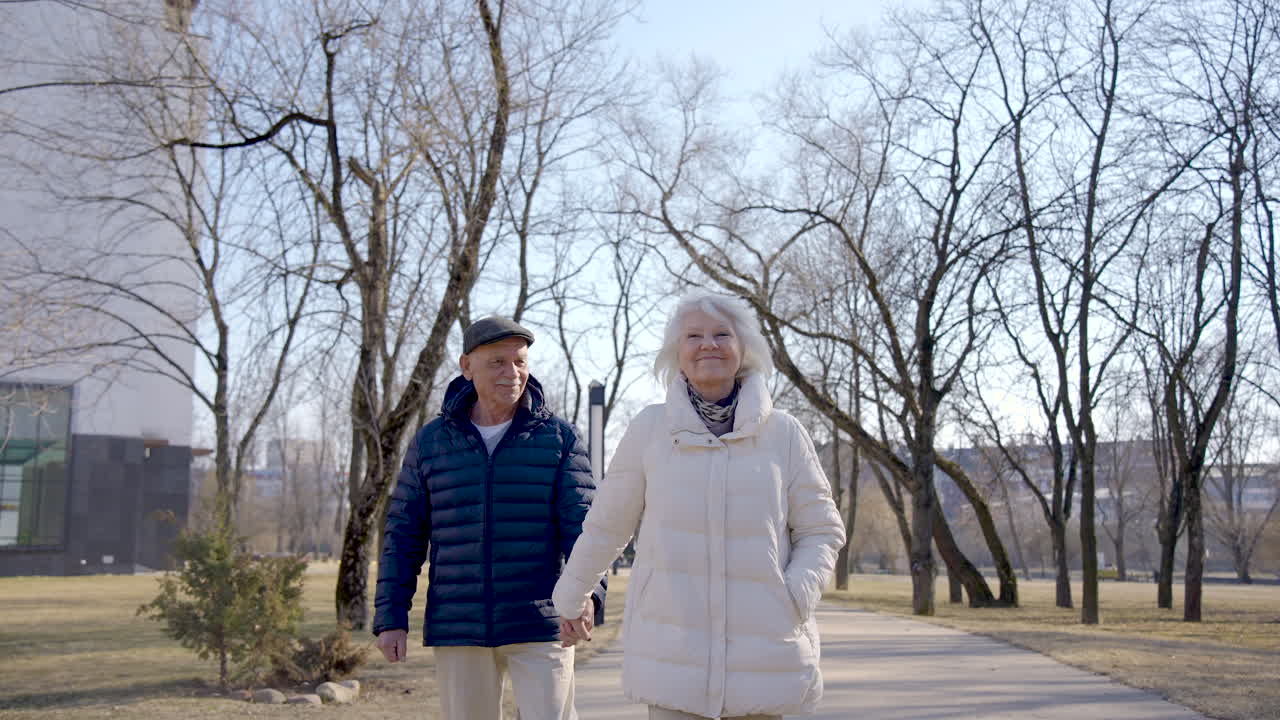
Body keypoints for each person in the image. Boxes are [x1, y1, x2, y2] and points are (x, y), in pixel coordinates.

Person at [552, 292, 845, 720]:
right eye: (693, 335)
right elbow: (606, 526)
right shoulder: (650, 429)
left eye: (721, 334)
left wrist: (795, 593)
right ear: (677, 352)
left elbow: (822, 530)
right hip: (672, 653)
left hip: (763, 652)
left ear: (744, 348)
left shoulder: (785, 434)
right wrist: (571, 598)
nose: (708, 344)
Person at [373, 315, 604, 720]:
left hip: (541, 622)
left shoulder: (559, 438)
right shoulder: (431, 441)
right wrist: (391, 617)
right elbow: (404, 534)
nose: (511, 373)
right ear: (467, 367)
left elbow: (586, 528)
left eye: (519, 362)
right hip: (460, 626)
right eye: (497, 362)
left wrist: (588, 595)